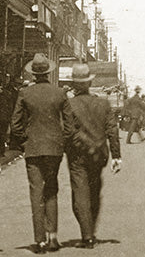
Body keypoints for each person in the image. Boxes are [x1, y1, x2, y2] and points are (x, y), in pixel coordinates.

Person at [9, 53, 69, 254]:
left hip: (33, 148)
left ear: (33, 73)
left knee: (36, 192)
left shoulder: (25, 93)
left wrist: (24, 139)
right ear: (49, 72)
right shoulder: (60, 93)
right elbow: (70, 125)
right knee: (51, 189)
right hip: (54, 149)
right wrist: (61, 140)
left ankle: (40, 240)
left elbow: (15, 124)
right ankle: (53, 237)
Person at [62, 63, 121, 250]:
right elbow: (112, 130)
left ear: (74, 83)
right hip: (99, 155)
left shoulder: (69, 104)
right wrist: (116, 156)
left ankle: (86, 235)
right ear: (89, 82)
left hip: (77, 155)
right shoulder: (103, 103)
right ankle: (91, 231)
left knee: (79, 194)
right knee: (94, 192)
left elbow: (67, 132)